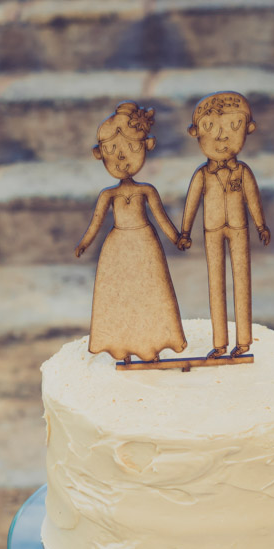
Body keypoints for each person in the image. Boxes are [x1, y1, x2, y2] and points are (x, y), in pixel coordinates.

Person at [75, 102, 190, 363]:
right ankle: (123, 348)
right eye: (112, 150)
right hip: (117, 246)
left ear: (146, 147)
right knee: (121, 294)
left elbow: (161, 218)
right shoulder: (108, 195)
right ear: (100, 154)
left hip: (145, 243)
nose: (121, 157)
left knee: (151, 291)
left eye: (131, 148)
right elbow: (95, 224)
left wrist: (177, 239)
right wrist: (84, 243)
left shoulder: (146, 191)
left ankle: (152, 345)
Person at [178, 92, 271, 359]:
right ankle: (219, 342)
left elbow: (253, 198)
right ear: (196, 132)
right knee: (215, 284)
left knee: (242, 282)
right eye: (210, 127)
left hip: (240, 229)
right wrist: (185, 231)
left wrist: (261, 225)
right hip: (212, 230)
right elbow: (191, 203)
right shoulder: (201, 175)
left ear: (248, 129)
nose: (221, 137)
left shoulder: (243, 172)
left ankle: (243, 341)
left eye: (233, 126)